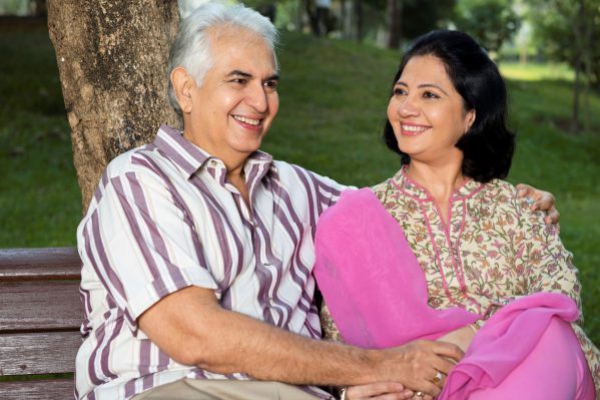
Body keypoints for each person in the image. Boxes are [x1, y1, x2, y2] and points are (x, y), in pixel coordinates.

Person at [74, 4, 558, 399]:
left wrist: (514, 200)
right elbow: (194, 334)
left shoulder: (298, 190)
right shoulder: (140, 181)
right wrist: (379, 366)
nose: (260, 102)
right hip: (177, 388)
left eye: (269, 83)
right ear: (186, 89)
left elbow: (408, 207)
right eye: (238, 81)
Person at [313, 30, 600, 400]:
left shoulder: (516, 207)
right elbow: (340, 341)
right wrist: (350, 389)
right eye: (400, 91)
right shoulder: (358, 221)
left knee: (548, 328)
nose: (406, 108)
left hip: (532, 373)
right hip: (419, 392)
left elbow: (560, 293)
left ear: (469, 116)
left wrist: (474, 334)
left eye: (429, 95)